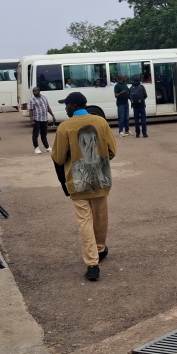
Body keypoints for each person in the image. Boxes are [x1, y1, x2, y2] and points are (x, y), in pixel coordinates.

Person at [51, 92, 117, 281]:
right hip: (101, 179)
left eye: (66, 105)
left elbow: (58, 157)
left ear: (74, 105)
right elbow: (112, 151)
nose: (65, 108)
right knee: (101, 217)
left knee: (84, 221)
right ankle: (100, 249)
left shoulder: (65, 126)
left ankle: (92, 263)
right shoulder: (101, 122)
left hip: (77, 182)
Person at [28, 86, 55, 154]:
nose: (34, 93)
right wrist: (32, 120)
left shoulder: (44, 98)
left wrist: (52, 115)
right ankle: (36, 148)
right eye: (33, 91)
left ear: (39, 91)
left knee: (44, 134)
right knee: (35, 134)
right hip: (37, 119)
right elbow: (30, 110)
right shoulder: (32, 100)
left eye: (35, 91)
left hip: (44, 119)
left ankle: (47, 147)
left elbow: (47, 107)